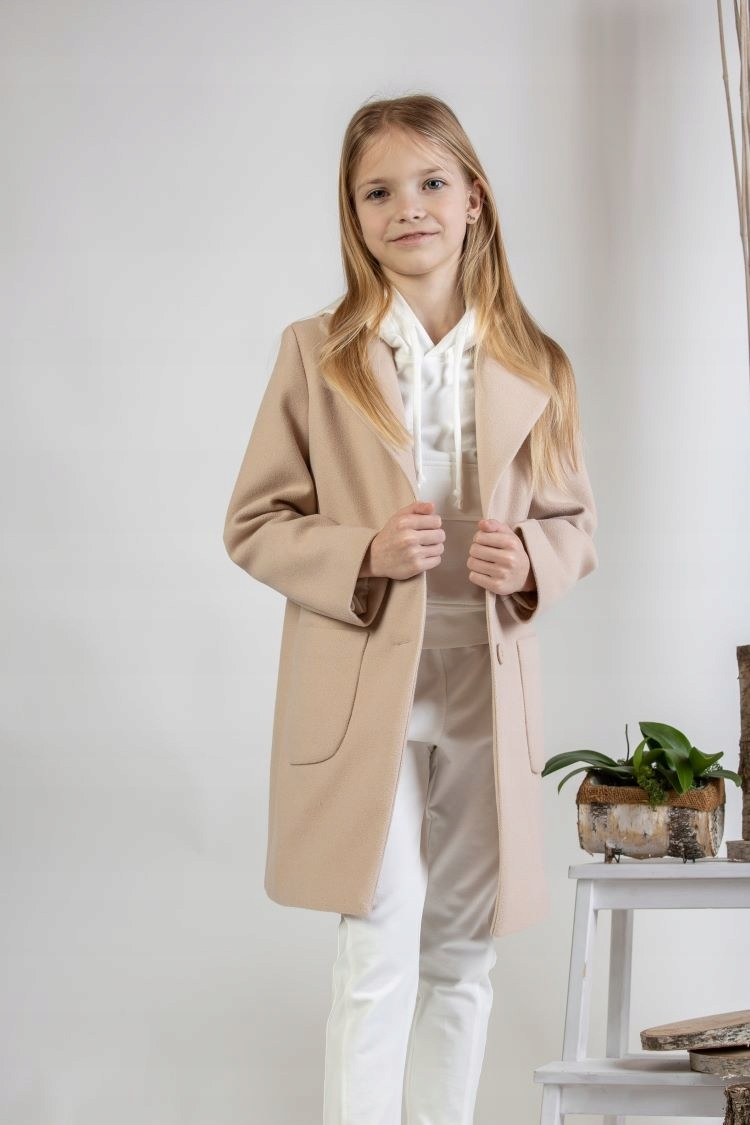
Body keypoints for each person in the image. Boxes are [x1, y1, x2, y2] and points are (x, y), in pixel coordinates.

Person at [223, 92, 597, 1125]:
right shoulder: (316, 353)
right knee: (377, 943)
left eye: (432, 183)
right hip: (363, 693)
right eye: (378, 192)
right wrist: (365, 553)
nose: (408, 208)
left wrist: (528, 556)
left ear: (475, 198)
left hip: (485, 688)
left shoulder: (537, 363)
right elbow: (254, 521)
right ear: (354, 215)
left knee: (464, 951)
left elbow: (575, 523)